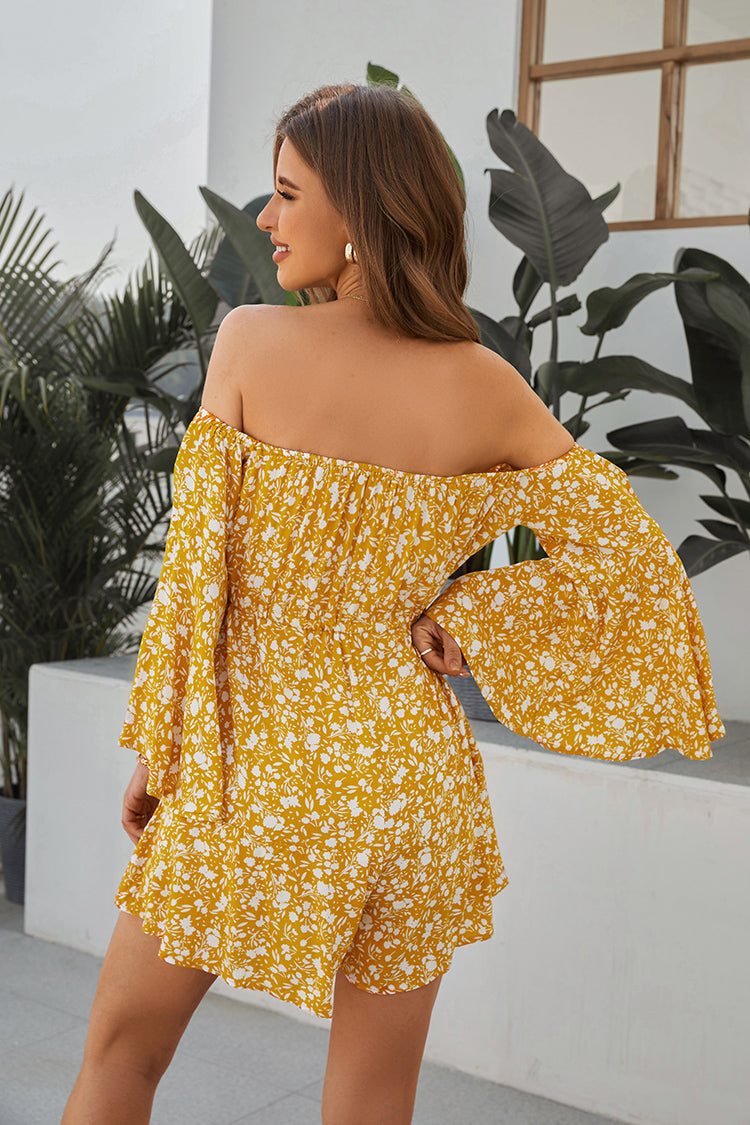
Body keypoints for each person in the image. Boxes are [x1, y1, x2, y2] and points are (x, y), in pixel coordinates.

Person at [62, 83, 724, 1125]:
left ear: (361, 210)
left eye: (288, 195)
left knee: (122, 1058)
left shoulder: (248, 343)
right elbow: (635, 565)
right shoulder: (486, 385)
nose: (267, 219)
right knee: (374, 1102)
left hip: (257, 770)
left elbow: (196, 585)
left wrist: (164, 747)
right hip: (410, 786)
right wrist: (473, 620)